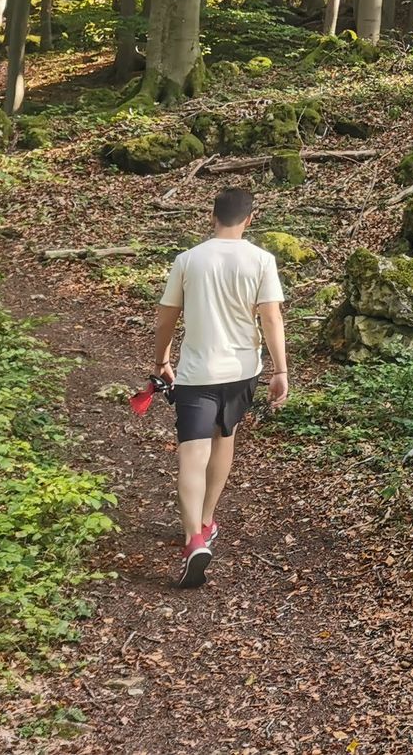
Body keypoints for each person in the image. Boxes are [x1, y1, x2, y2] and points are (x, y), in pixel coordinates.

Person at [151, 186, 289, 588]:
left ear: (212, 216)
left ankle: (194, 538)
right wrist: (280, 370)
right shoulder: (262, 260)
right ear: (250, 218)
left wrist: (161, 361)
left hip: (197, 373)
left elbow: (166, 318)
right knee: (224, 439)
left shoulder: (188, 260)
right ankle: (208, 519)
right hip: (241, 372)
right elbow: (271, 318)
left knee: (191, 455)